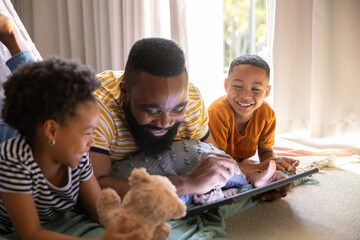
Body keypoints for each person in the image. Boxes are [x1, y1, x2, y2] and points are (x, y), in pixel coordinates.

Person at [0, 13, 292, 204]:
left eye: (176, 109)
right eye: (152, 109)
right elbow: (95, 188)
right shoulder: (95, 107)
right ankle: (11, 38)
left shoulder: (191, 100)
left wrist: (255, 181)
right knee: (35, 101)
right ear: (125, 93)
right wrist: (187, 183)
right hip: (22, 128)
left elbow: (211, 159)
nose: (166, 121)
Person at [0, 57, 147, 239]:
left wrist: (130, 226)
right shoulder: (14, 160)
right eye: (87, 133)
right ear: (51, 130)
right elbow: (31, 234)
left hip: (55, 225)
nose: (91, 142)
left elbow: (98, 210)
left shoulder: (79, 157)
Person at [208, 55, 299, 174]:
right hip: (214, 161)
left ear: (266, 92)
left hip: (238, 163)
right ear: (226, 85)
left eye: (255, 89)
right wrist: (260, 167)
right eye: (237, 86)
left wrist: (275, 165)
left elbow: (266, 151)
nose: (246, 96)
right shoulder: (218, 112)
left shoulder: (266, 114)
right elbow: (218, 163)